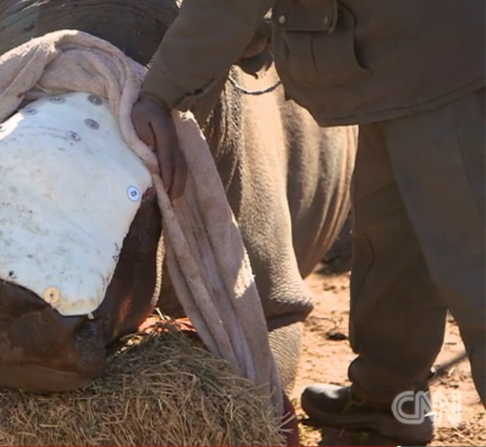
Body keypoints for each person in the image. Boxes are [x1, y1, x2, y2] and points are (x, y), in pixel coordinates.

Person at [131, 0, 485, 444]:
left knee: (476, 269)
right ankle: (387, 403)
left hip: (449, 67)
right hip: (396, 69)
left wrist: (159, 92)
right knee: (395, 247)